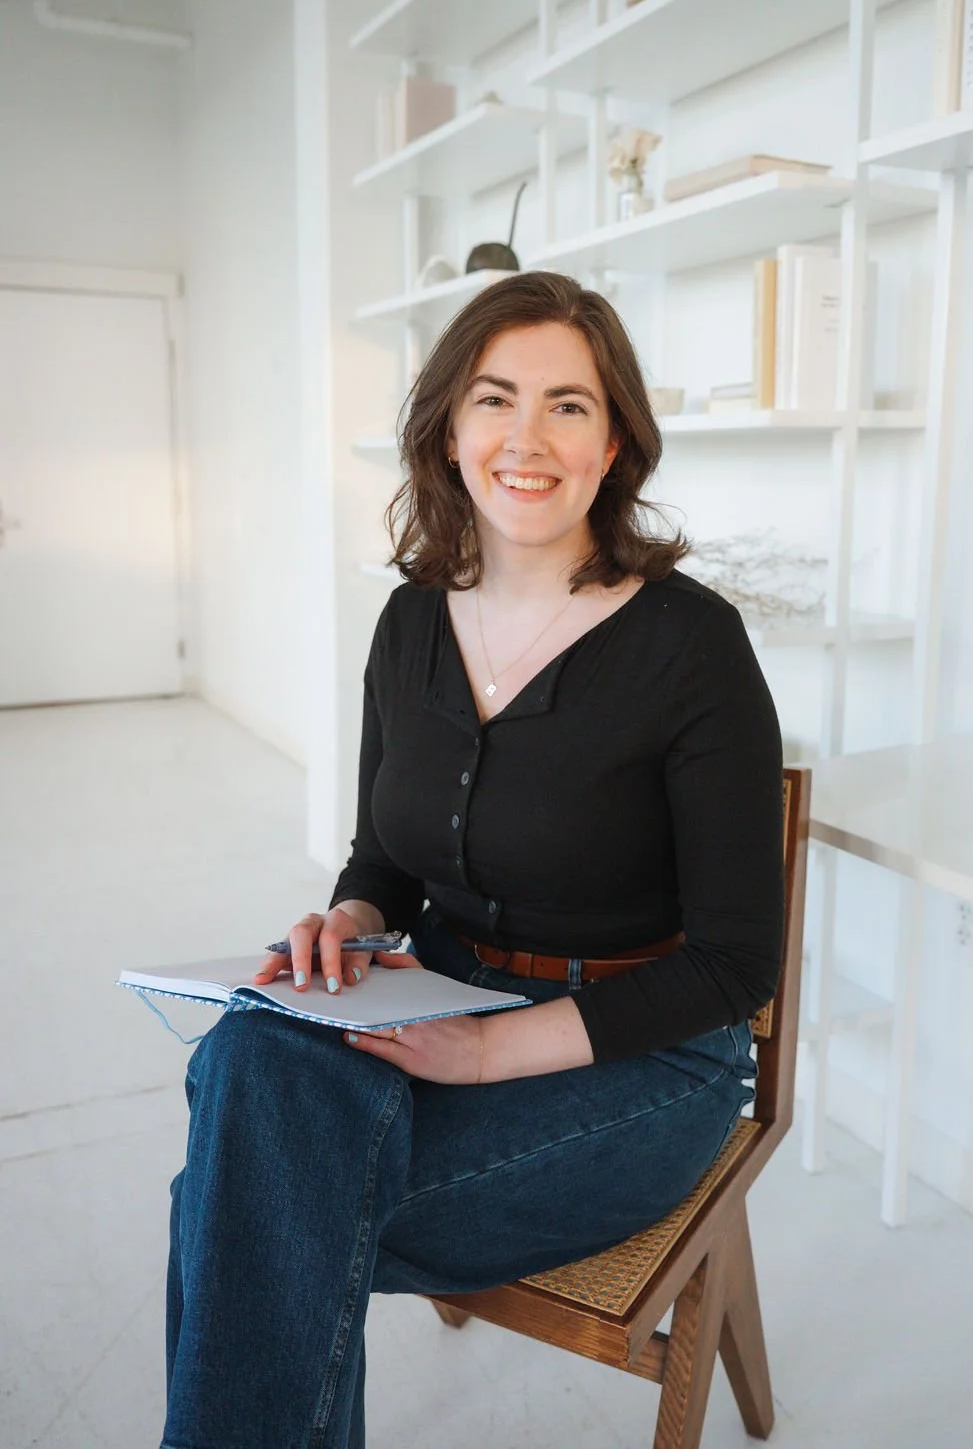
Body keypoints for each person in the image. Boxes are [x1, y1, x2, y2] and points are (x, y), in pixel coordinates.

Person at [162, 271, 784, 1449]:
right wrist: (348, 922)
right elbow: (381, 862)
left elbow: (735, 963)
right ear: (450, 430)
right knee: (251, 1052)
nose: (526, 438)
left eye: (568, 405)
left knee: (242, 1206)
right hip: (432, 988)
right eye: (496, 399)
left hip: (639, 1053)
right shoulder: (409, 621)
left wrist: (493, 1049)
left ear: (614, 445)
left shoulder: (691, 646)